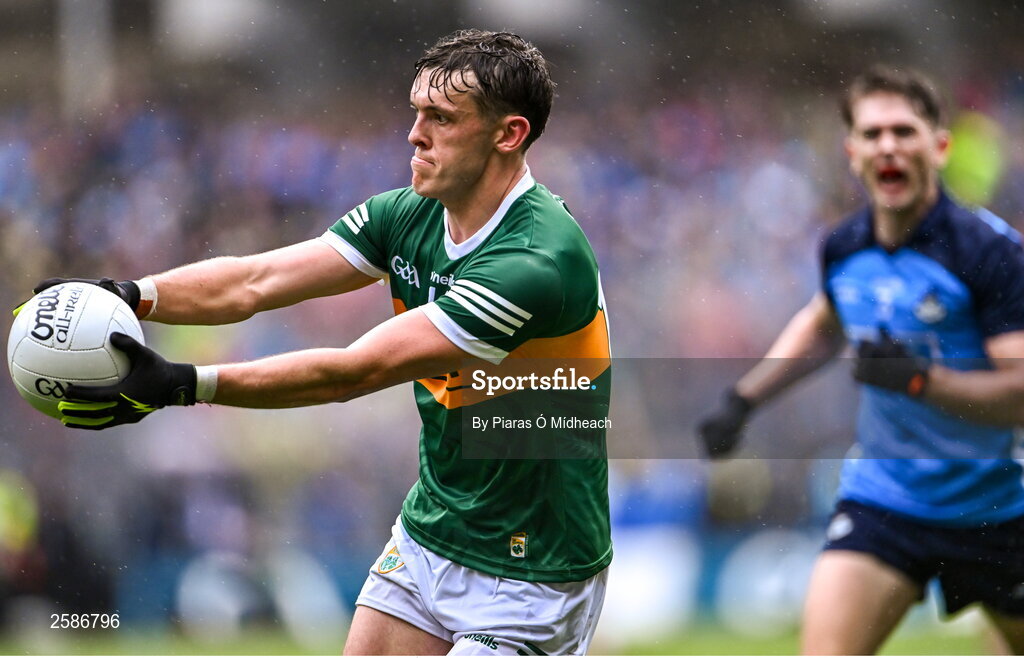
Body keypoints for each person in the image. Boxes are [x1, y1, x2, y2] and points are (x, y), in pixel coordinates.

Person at [33, 29, 612, 656]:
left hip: (533, 564)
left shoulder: (535, 262)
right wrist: (129, 293)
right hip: (435, 529)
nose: (415, 135)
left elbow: (353, 372)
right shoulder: (407, 214)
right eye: (416, 112)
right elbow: (258, 280)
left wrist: (183, 384)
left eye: (442, 119)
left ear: (509, 134)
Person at [697, 65, 1024, 654]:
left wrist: (923, 382)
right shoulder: (843, 246)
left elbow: (1020, 394)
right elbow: (823, 326)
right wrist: (744, 399)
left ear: (940, 146)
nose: (888, 146)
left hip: (996, 509)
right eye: (872, 134)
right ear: (852, 152)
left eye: (904, 131)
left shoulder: (990, 253)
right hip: (885, 500)